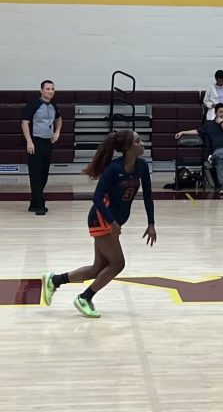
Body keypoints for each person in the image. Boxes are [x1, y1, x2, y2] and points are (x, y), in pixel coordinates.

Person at [41, 130, 156, 318]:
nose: (142, 143)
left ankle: (54, 280)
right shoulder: (113, 169)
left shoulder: (142, 167)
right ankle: (85, 298)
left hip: (113, 220)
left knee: (97, 269)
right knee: (118, 264)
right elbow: (97, 198)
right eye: (138, 141)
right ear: (127, 148)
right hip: (102, 218)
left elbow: (149, 196)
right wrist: (112, 222)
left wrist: (151, 223)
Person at [175, 103, 223, 198]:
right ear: (215, 112)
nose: (222, 114)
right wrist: (183, 132)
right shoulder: (209, 125)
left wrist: (221, 123)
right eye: (220, 112)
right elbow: (197, 131)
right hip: (219, 150)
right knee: (220, 160)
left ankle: (215, 157)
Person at [21, 79, 61, 216]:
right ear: (41, 90)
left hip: (47, 143)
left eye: (52, 89)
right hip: (35, 143)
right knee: (36, 174)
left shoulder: (54, 106)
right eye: (48, 89)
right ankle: (40, 205)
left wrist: (57, 132)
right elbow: (25, 123)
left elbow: (59, 119)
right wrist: (29, 141)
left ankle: (33, 203)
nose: (50, 91)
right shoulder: (33, 105)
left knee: (44, 174)